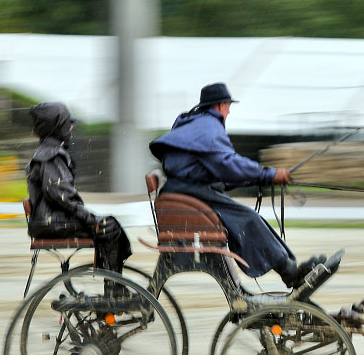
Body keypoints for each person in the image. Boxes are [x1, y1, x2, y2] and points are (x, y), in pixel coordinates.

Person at [148, 82, 324, 287]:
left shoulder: (198, 124)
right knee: (248, 218)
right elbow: (227, 164)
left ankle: (289, 268)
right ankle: (289, 271)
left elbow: (218, 172)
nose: (229, 111)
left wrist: (262, 177)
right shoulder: (208, 126)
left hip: (187, 188)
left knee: (249, 217)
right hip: (190, 191)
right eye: (229, 106)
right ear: (221, 105)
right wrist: (269, 174)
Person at [25, 102, 132, 280]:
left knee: (108, 225)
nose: (72, 127)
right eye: (68, 124)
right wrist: (88, 218)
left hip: (49, 220)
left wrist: (89, 217)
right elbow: (61, 195)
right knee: (110, 227)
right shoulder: (51, 155)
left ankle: (112, 286)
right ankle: (114, 294)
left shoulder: (48, 152)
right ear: (57, 126)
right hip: (53, 223)